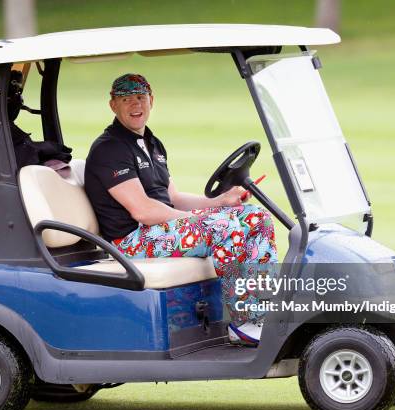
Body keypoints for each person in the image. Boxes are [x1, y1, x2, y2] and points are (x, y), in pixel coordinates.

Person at [84, 73, 278, 345]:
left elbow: (171, 197)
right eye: (126, 99)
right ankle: (243, 321)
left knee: (256, 218)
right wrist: (199, 219)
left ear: (151, 100)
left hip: (161, 230)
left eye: (140, 98)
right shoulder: (110, 149)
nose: (135, 105)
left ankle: (264, 313)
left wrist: (220, 202)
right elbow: (143, 211)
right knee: (223, 228)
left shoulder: (152, 143)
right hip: (132, 240)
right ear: (113, 105)